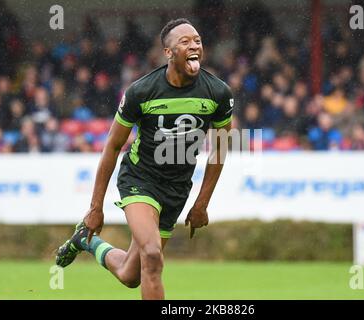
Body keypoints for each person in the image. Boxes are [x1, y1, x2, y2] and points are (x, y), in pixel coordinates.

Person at [55, 18, 234, 300]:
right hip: (140, 179)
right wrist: (95, 208)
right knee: (152, 254)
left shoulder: (218, 93)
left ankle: (86, 243)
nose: (194, 45)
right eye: (184, 41)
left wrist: (201, 203)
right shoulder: (142, 91)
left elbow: (223, 148)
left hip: (177, 189)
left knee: (131, 275)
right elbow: (112, 147)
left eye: (197, 40)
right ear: (168, 52)